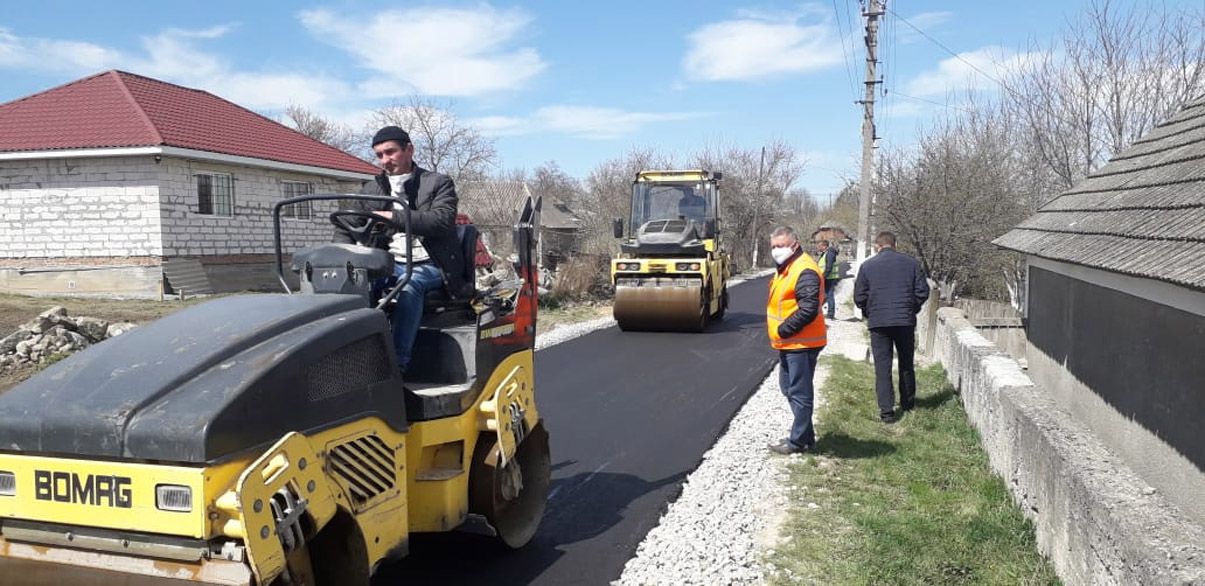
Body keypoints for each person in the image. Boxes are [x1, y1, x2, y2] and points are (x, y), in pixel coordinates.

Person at [333, 126, 466, 374]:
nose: (385, 160)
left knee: (408, 284)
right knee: (352, 286)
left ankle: (395, 366)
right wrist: (339, 253)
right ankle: (351, 361)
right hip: (388, 262)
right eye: (379, 155)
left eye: (390, 152)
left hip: (432, 263)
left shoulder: (438, 183)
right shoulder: (372, 190)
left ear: (409, 150)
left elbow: (440, 221)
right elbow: (348, 226)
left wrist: (392, 216)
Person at [853, 231, 930, 423]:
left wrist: (869, 311)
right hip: (904, 321)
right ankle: (908, 403)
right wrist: (911, 308)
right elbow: (923, 291)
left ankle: (886, 411)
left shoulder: (867, 266)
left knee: (882, 366)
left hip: (879, 323)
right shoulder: (911, 263)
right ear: (895, 244)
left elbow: (859, 297)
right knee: (906, 362)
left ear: (877, 246)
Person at [766, 226, 827, 455]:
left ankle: (797, 441)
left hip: (802, 341)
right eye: (773, 246)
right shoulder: (787, 267)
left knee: (800, 392)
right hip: (791, 341)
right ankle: (806, 435)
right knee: (788, 388)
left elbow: (809, 308)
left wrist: (783, 330)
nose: (776, 250)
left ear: (794, 244)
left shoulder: (805, 270)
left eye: (780, 246)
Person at [816, 239, 842, 319]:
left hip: (828, 278)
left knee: (829, 295)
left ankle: (830, 314)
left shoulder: (830, 253)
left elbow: (829, 267)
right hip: (826, 277)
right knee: (825, 295)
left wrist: (823, 277)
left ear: (824, 246)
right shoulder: (825, 253)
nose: (818, 247)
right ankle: (821, 312)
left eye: (819, 246)